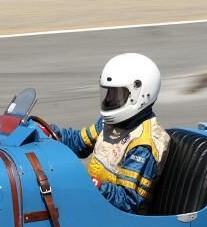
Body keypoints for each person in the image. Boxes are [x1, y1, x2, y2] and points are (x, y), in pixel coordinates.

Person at [52, 53, 169, 213]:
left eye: (117, 94)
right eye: (109, 93)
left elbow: (126, 201)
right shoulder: (111, 123)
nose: (109, 99)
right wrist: (48, 132)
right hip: (94, 203)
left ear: (140, 95)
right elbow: (79, 143)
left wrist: (88, 183)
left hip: (119, 222)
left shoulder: (143, 144)